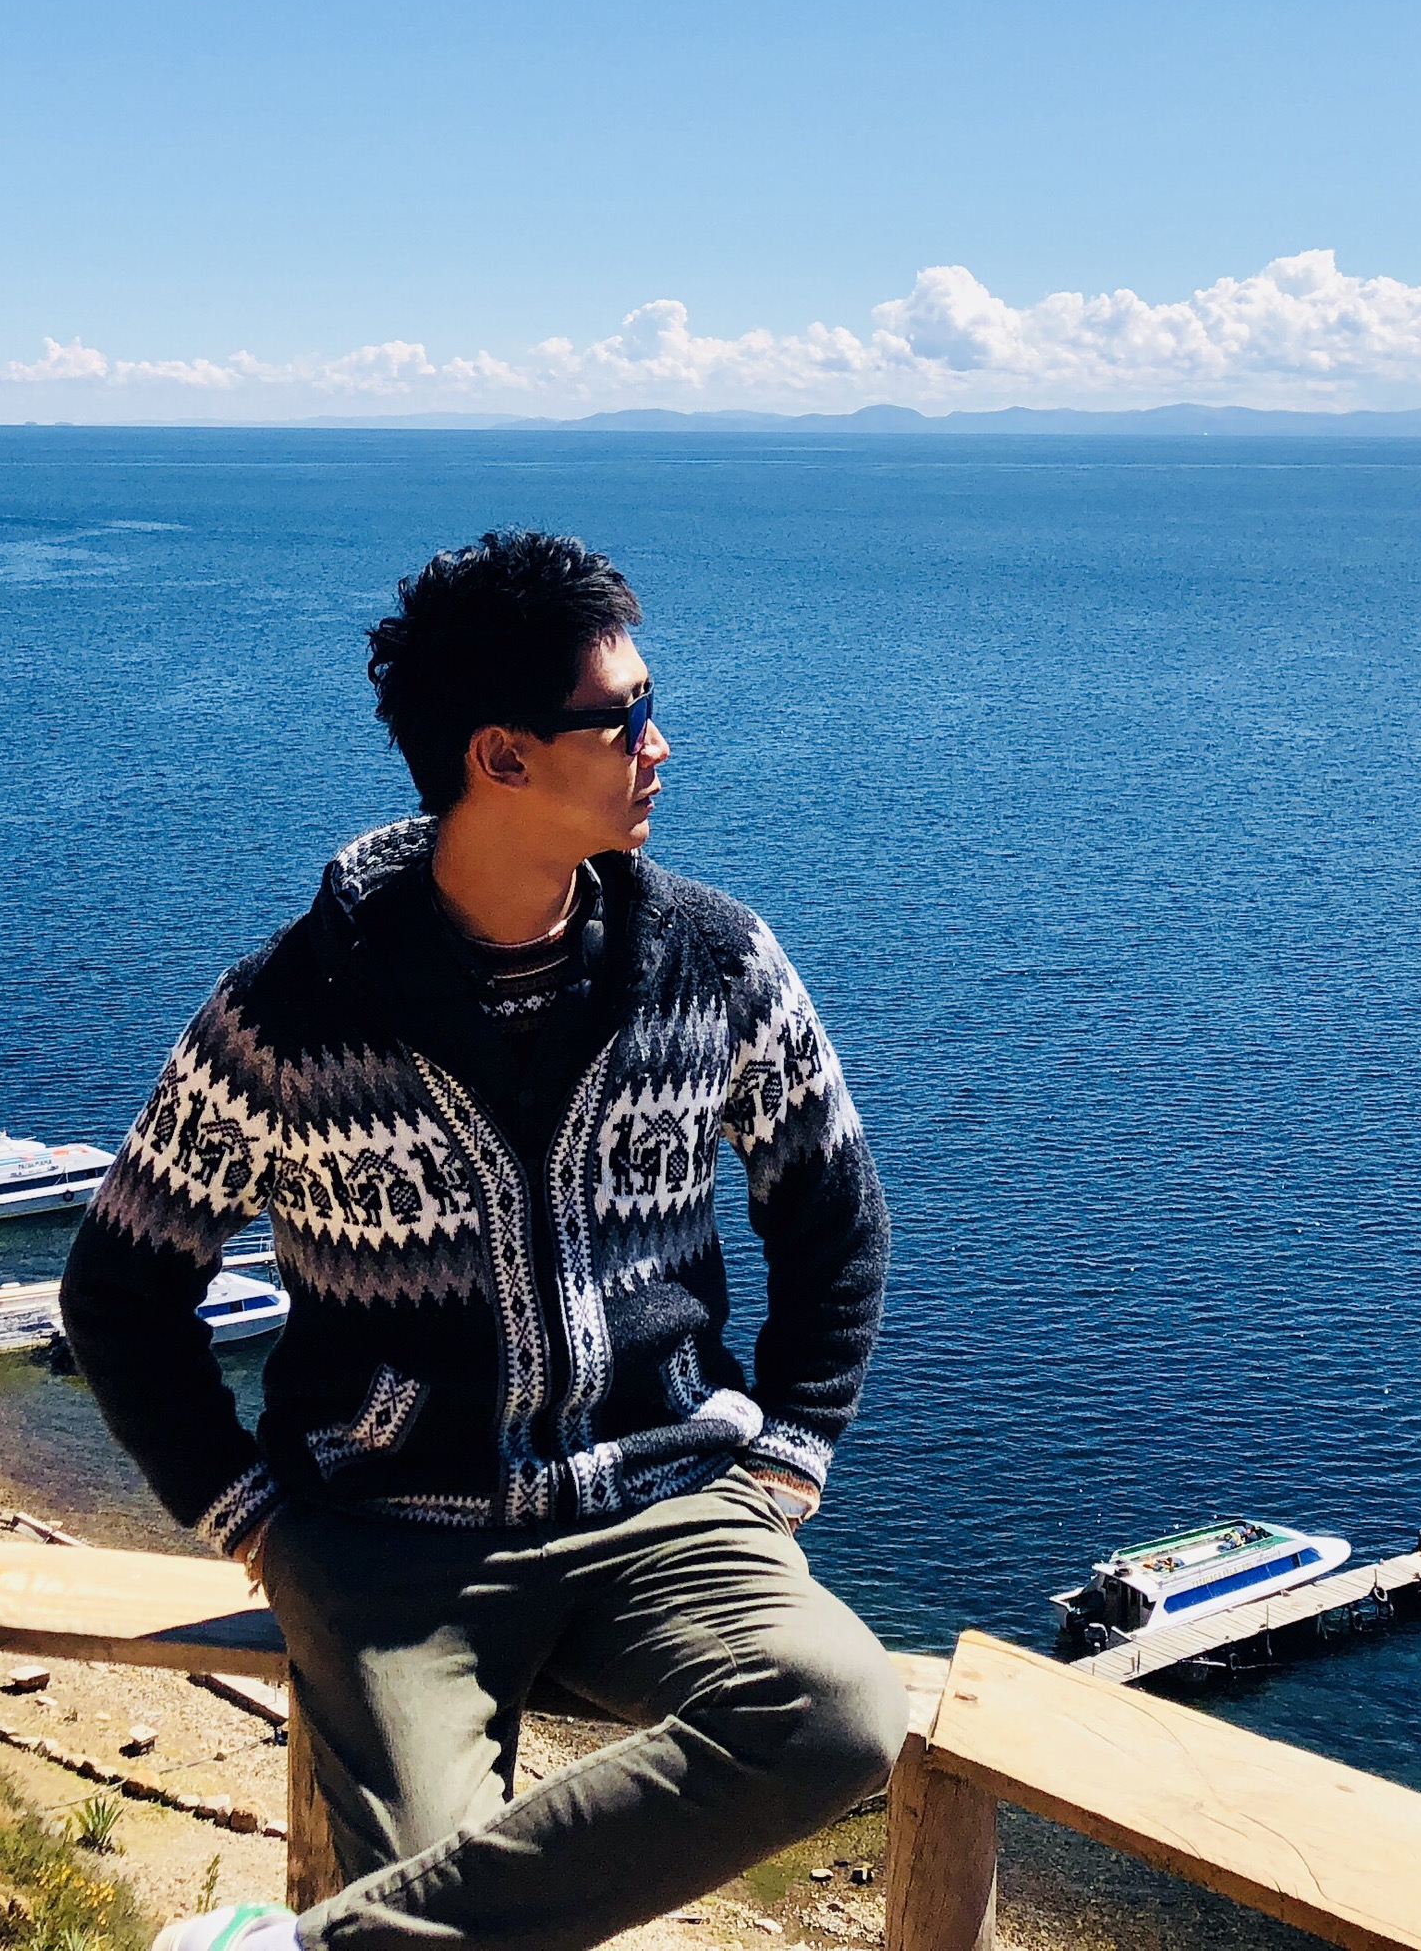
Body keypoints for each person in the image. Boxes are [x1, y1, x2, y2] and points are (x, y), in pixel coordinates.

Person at [62, 529, 901, 1951]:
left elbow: (832, 1212)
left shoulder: (717, 965)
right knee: (431, 1879)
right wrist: (251, 1518)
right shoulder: (287, 1019)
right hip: (394, 1548)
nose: (659, 743)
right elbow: (120, 1289)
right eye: (624, 715)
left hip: (669, 1508)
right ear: (500, 755)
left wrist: (790, 1449)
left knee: (838, 1714)